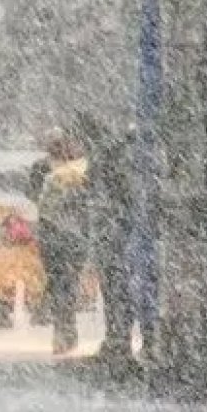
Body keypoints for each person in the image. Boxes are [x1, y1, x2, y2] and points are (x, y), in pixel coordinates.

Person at [71, 113, 139, 372]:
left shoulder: (107, 155)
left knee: (116, 291)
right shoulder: (113, 152)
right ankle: (118, 343)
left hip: (114, 234)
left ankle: (118, 343)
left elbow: (98, 192)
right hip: (117, 233)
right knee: (118, 290)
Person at [29, 127, 91, 355]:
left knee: (60, 283)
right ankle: (65, 329)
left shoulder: (44, 169)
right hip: (68, 235)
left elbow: (34, 195)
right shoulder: (83, 169)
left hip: (56, 234)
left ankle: (63, 330)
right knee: (65, 283)